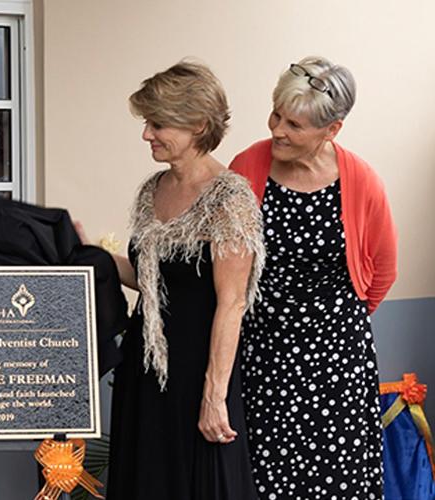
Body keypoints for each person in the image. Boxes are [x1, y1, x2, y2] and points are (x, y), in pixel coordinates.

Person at [231, 56, 395, 498]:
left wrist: (338, 324)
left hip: (338, 360)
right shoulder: (247, 166)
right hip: (264, 355)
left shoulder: (361, 181)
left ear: (332, 130)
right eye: (276, 114)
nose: (277, 130)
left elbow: (382, 271)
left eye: (294, 125)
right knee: (264, 478)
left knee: (338, 480)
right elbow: (223, 260)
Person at [100, 62, 263, 499]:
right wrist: (96, 257)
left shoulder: (230, 199)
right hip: (146, 367)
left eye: (157, 124)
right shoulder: (153, 188)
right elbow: (155, 279)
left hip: (196, 371)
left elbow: (231, 303)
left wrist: (215, 395)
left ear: (198, 125)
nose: (146, 134)